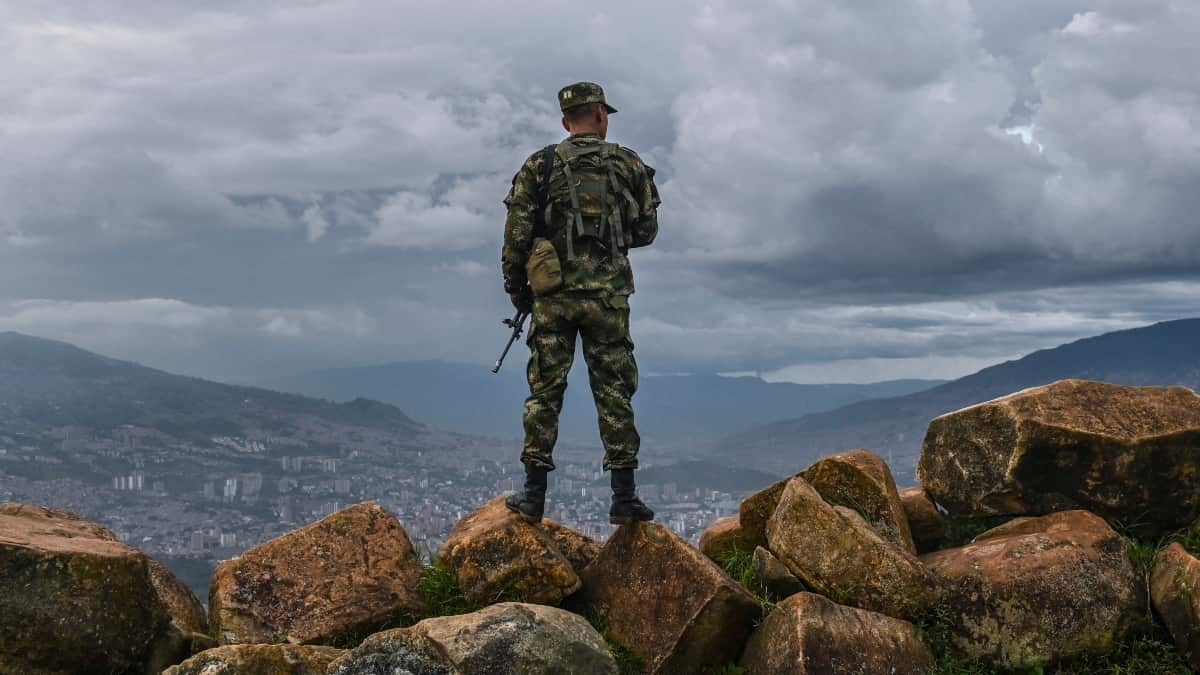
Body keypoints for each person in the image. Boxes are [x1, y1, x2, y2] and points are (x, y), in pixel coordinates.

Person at [501, 82, 660, 525]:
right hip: (608, 299)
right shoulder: (628, 164)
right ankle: (624, 497)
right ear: (601, 115)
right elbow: (646, 232)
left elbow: (516, 237)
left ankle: (533, 494)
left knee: (545, 392)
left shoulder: (540, 164)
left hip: (552, 298)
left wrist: (520, 292)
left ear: (565, 121)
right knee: (614, 391)